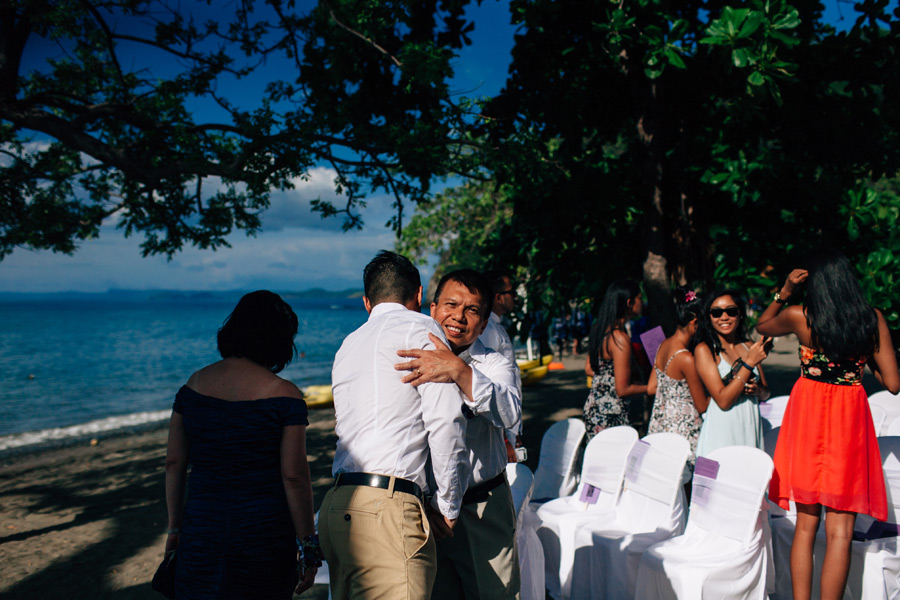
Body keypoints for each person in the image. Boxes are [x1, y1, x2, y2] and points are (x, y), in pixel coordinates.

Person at [319, 251, 470, 600]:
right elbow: (446, 419)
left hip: (336, 505)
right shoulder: (421, 328)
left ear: (366, 302)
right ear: (419, 295)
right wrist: (449, 506)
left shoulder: (348, 345)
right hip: (386, 509)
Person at [756, 250, 900, 600]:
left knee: (805, 527)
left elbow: (761, 326)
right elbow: (893, 384)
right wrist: (866, 364)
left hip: (808, 414)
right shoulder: (871, 319)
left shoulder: (799, 316)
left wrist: (784, 290)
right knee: (840, 531)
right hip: (849, 417)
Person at [164, 290, 319, 599]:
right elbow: (294, 476)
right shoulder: (284, 395)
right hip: (264, 536)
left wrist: (174, 528)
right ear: (279, 339)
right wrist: (308, 545)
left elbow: (174, 463)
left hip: (201, 529)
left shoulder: (194, 384)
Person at [395, 269, 523, 600]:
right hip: (429, 509)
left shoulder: (494, 363)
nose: (459, 317)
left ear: (483, 324)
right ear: (432, 308)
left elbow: (509, 412)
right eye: (451, 304)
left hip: (483, 505)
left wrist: (459, 371)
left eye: (472, 310)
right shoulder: (410, 357)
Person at [693, 288, 770, 457]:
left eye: (731, 311)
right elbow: (723, 401)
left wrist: (758, 391)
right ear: (709, 317)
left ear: (740, 314)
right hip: (723, 430)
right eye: (716, 313)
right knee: (723, 480)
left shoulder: (749, 346)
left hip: (750, 425)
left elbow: (766, 393)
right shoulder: (705, 350)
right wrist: (749, 363)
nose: (724, 317)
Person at [646, 288, 708, 467]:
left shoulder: (662, 345)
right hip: (684, 427)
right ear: (695, 322)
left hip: (663, 423)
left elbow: (651, 388)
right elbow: (702, 405)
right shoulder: (686, 358)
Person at [583, 280, 648, 441]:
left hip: (595, 408)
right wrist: (649, 387)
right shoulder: (619, 338)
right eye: (639, 298)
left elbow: (589, 369)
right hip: (611, 413)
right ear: (629, 303)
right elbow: (622, 389)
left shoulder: (600, 329)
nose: (642, 302)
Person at [481, 269, 523, 462]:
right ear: (498, 297)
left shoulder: (496, 326)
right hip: (501, 430)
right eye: (511, 293)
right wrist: (505, 439)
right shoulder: (487, 329)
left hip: (510, 424)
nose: (514, 297)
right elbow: (486, 383)